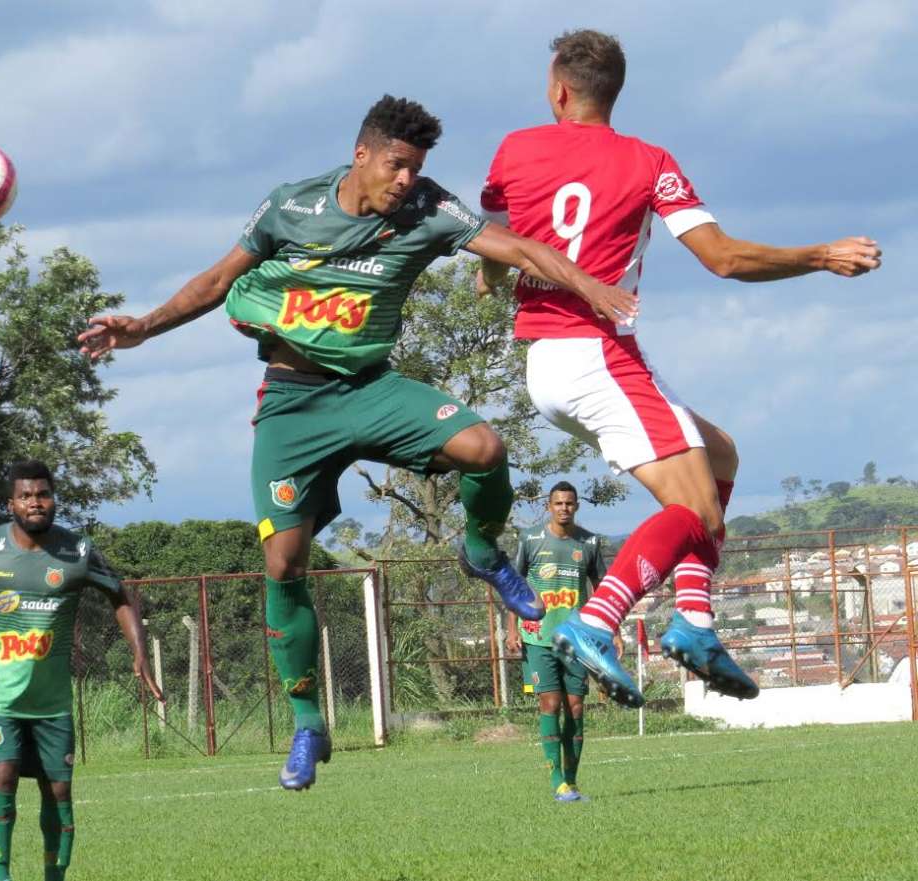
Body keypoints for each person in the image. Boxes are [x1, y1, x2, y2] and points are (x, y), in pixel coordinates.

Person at [78, 94, 637, 791]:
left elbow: (515, 247)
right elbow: (219, 281)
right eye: (398, 165)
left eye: (417, 168)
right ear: (363, 154)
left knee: (485, 448)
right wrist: (144, 325)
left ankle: (482, 549)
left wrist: (591, 285)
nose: (407, 180)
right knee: (283, 564)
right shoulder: (292, 205)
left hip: (372, 390)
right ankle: (310, 722)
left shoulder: (429, 209)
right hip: (292, 403)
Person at [479, 30, 882, 708]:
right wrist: (819, 254)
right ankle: (596, 620)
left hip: (548, 359)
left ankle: (695, 620)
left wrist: (499, 272)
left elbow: (493, 246)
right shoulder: (647, 161)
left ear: (558, 90)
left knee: (719, 455)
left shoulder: (515, 149)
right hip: (594, 352)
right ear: (615, 93)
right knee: (695, 510)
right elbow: (722, 258)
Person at [0, 460, 162, 881]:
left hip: (51, 698)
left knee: (58, 789)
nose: (35, 502)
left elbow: (120, 595)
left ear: (53, 499)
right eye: (25, 496)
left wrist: (139, 651)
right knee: (1, 777)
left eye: (42, 494)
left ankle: (53, 877)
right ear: (11, 504)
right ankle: (0, 877)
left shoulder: (78, 551)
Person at [506, 480, 606, 802]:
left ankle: (573, 782)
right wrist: (510, 630)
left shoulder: (589, 541)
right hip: (537, 637)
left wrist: (611, 631)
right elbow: (514, 586)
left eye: (569, 503)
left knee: (575, 708)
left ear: (577, 506)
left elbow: (603, 590)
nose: (564, 508)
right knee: (550, 703)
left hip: (576, 639)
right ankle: (556, 782)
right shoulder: (531, 539)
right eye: (558, 503)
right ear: (548, 506)